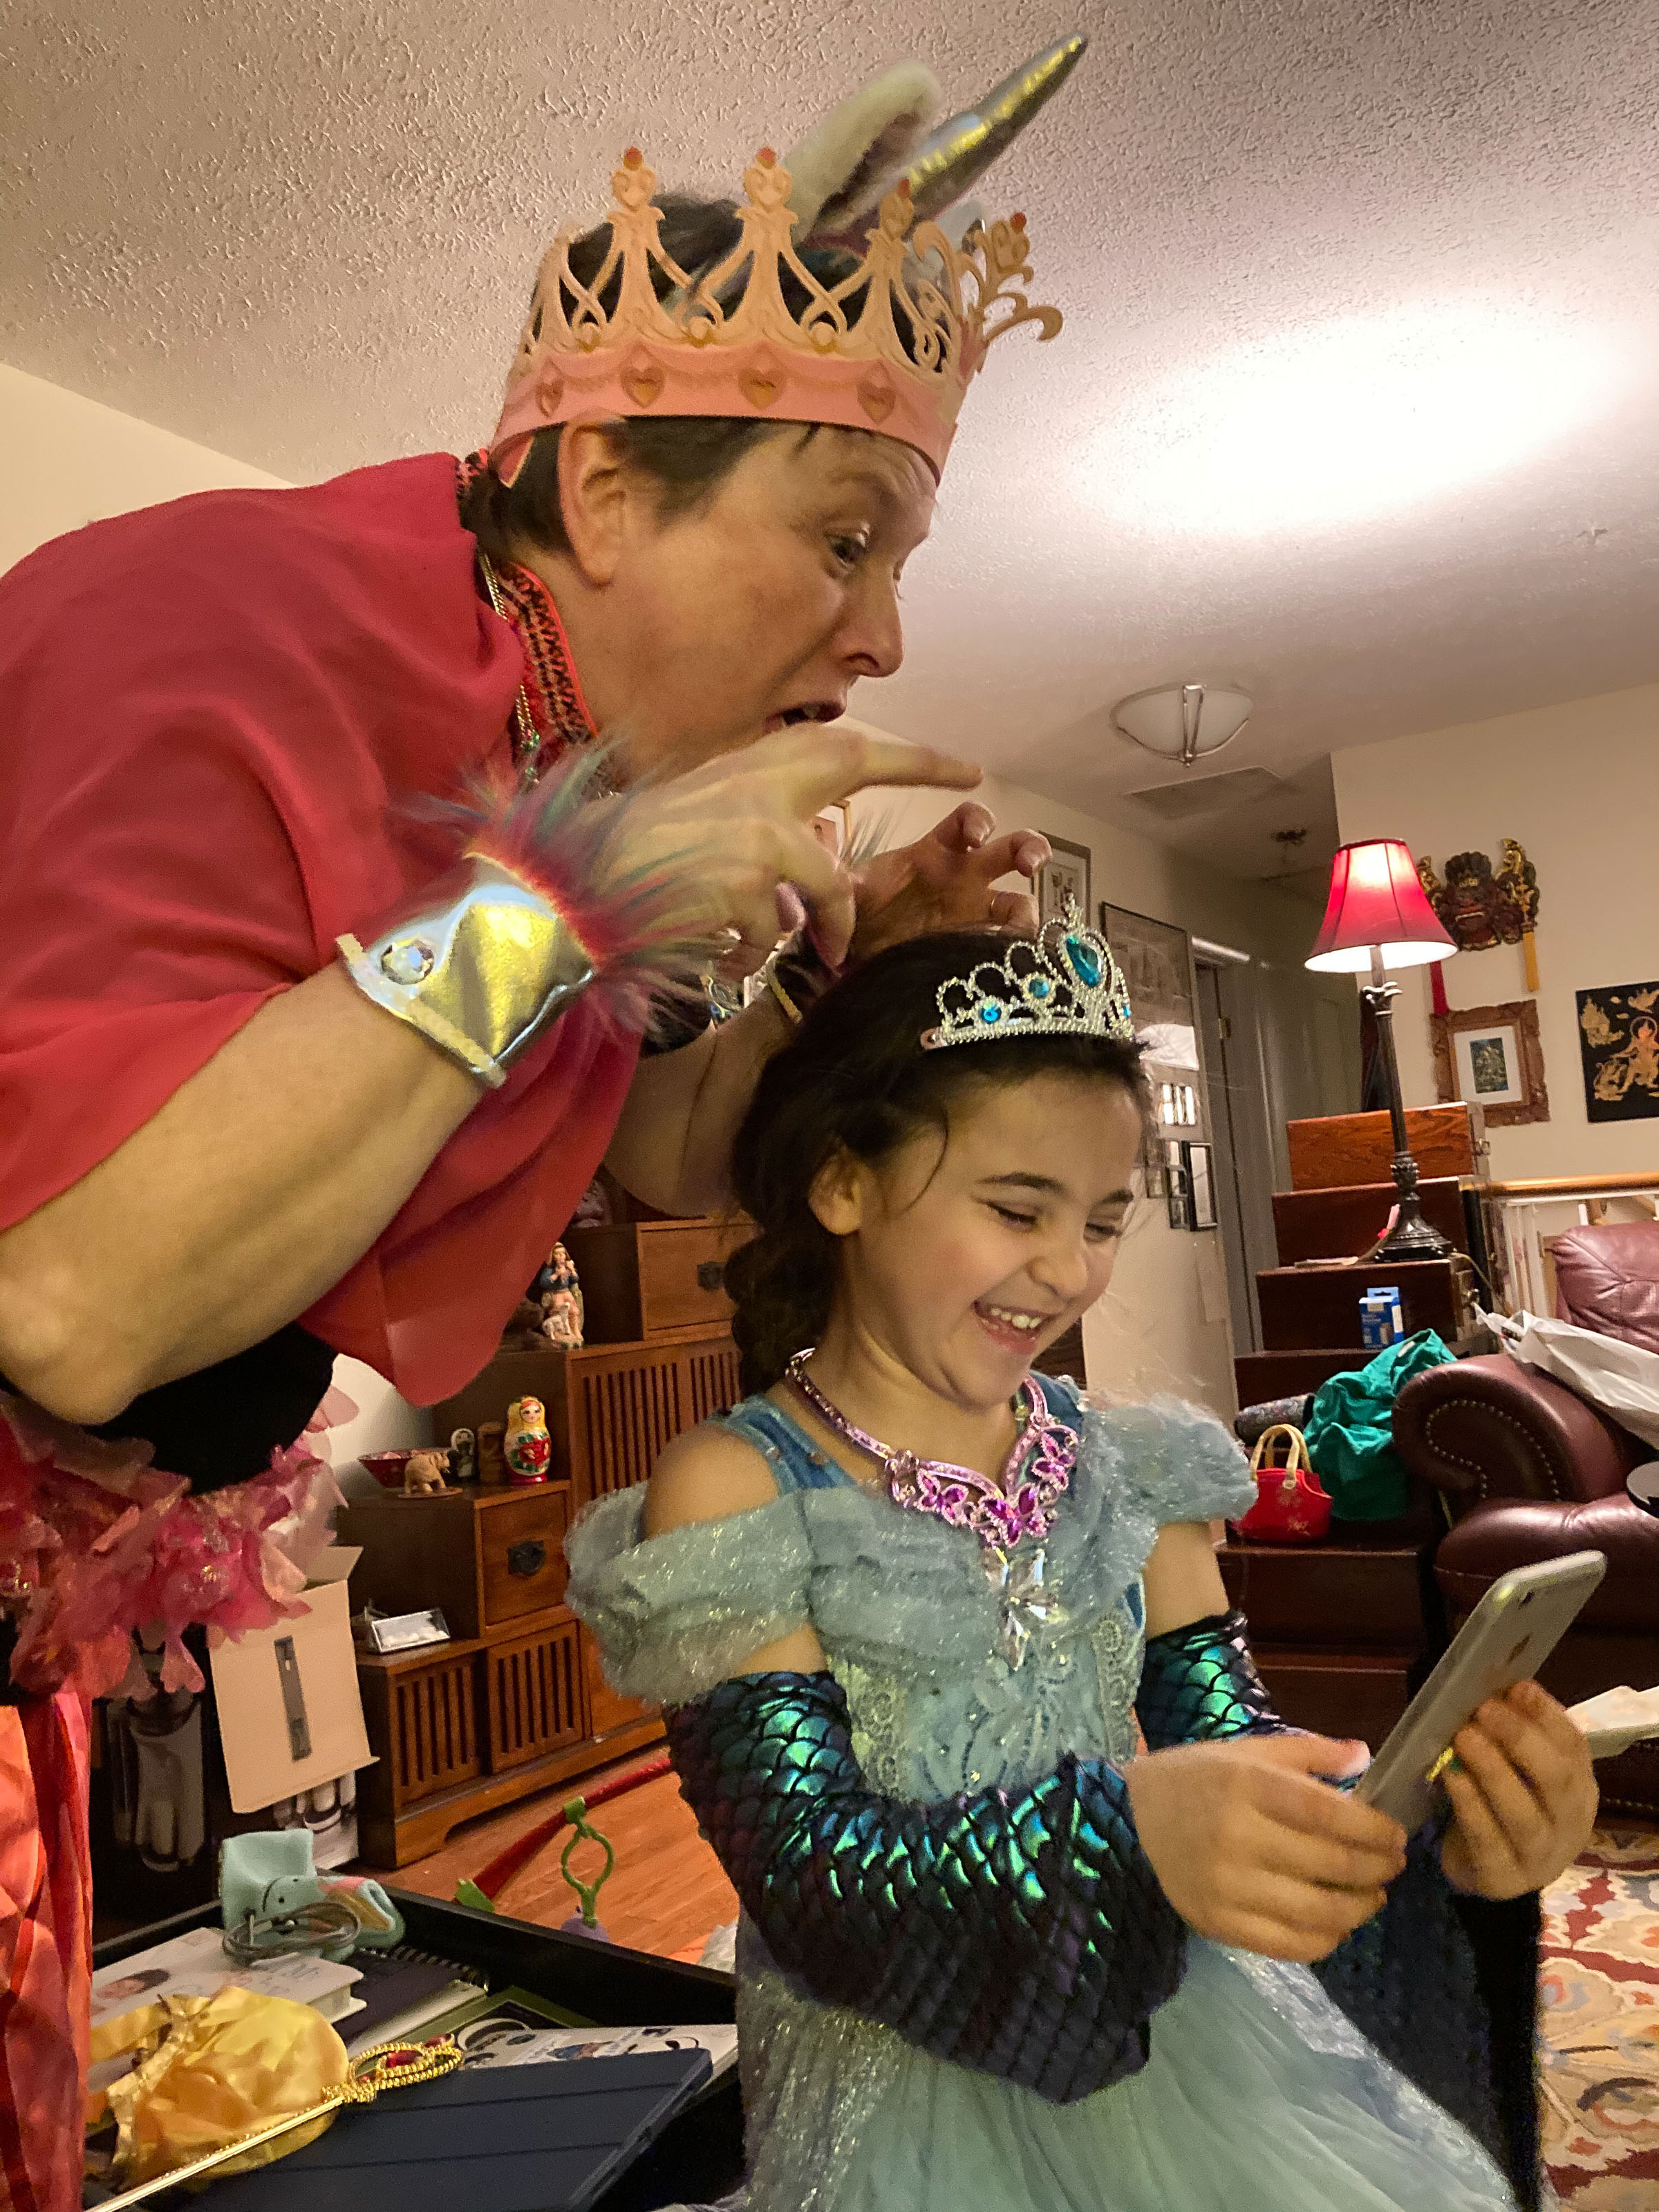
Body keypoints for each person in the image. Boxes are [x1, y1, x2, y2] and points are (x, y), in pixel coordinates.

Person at [0, 51, 1082, 2204]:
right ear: (597, 491)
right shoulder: (218, 617)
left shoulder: (588, 750)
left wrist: (845, 974)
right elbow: (73, 1300)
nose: (881, 631)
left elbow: (666, 1158)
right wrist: (564, 904)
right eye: (844, 537)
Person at [568, 916, 1597, 2212]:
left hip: (1187, 2033)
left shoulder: (1134, 1467)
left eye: (1104, 1220)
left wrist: (1446, 1830)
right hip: (905, 2103)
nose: (1068, 1272)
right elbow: (816, 1884)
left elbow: (1228, 1747)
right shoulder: (739, 1488)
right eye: (1015, 1209)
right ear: (841, 1184)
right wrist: (1131, 1837)